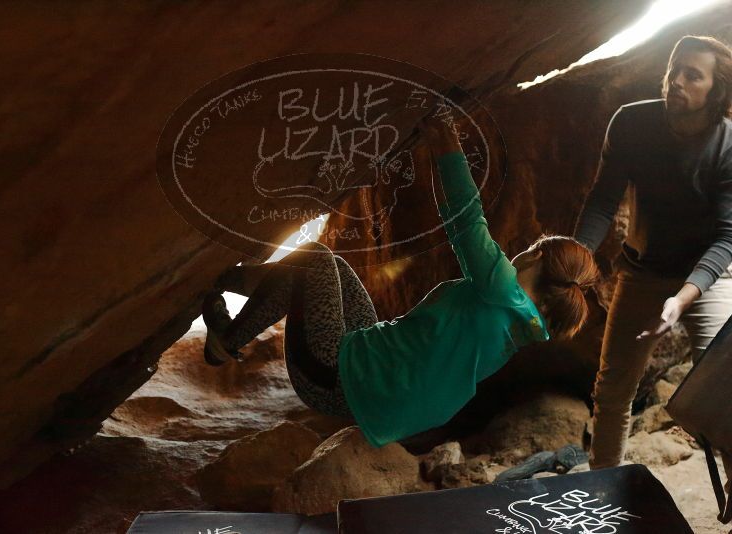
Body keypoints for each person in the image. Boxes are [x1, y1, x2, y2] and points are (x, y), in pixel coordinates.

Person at [203, 116, 600, 448]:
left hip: (336, 380)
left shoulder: (501, 291)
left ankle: (224, 337)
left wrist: (448, 147)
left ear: (535, 257)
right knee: (335, 270)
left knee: (316, 261)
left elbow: (466, 220)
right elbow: (458, 221)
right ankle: (223, 280)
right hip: (383, 394)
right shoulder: (526, 325)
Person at [573, 36, 732, 480]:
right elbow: (603, 201)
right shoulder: (631, 123)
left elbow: (728, 237)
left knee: (725, 398)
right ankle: (603, 495)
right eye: (673, 69)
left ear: (715, 91)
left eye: (692, 75)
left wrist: (682, 299)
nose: (676, 81)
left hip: (711, 275)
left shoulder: (728, 145)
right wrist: (574, 259)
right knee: (613, 390)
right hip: (643, 272)